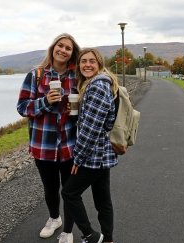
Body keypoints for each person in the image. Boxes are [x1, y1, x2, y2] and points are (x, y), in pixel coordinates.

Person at [17, 33, 80, 243]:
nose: (63, 50)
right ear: (53, 48)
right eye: (60, 46)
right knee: (50, 188)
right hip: (43, 146)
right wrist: (45, 101)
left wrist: (76, 109)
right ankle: (54, 218)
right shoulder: (35, 75)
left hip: (70, 145)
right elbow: (22, 107)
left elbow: (83, 109)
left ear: (72, 53)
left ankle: (68, 231)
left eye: (68, 48)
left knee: (70, 191)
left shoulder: (77, 77)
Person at [62, 48, 118, 243]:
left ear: (99, 64)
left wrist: (78, 157)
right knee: (103, 200)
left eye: (91, 61)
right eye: (83, 61)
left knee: (69, 193)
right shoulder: (98, 83)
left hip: (93, 155)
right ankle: (108, 239)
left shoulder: (97, 86)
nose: (87, 64)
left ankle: (90, 236)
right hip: (103, 154)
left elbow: (91, 128)